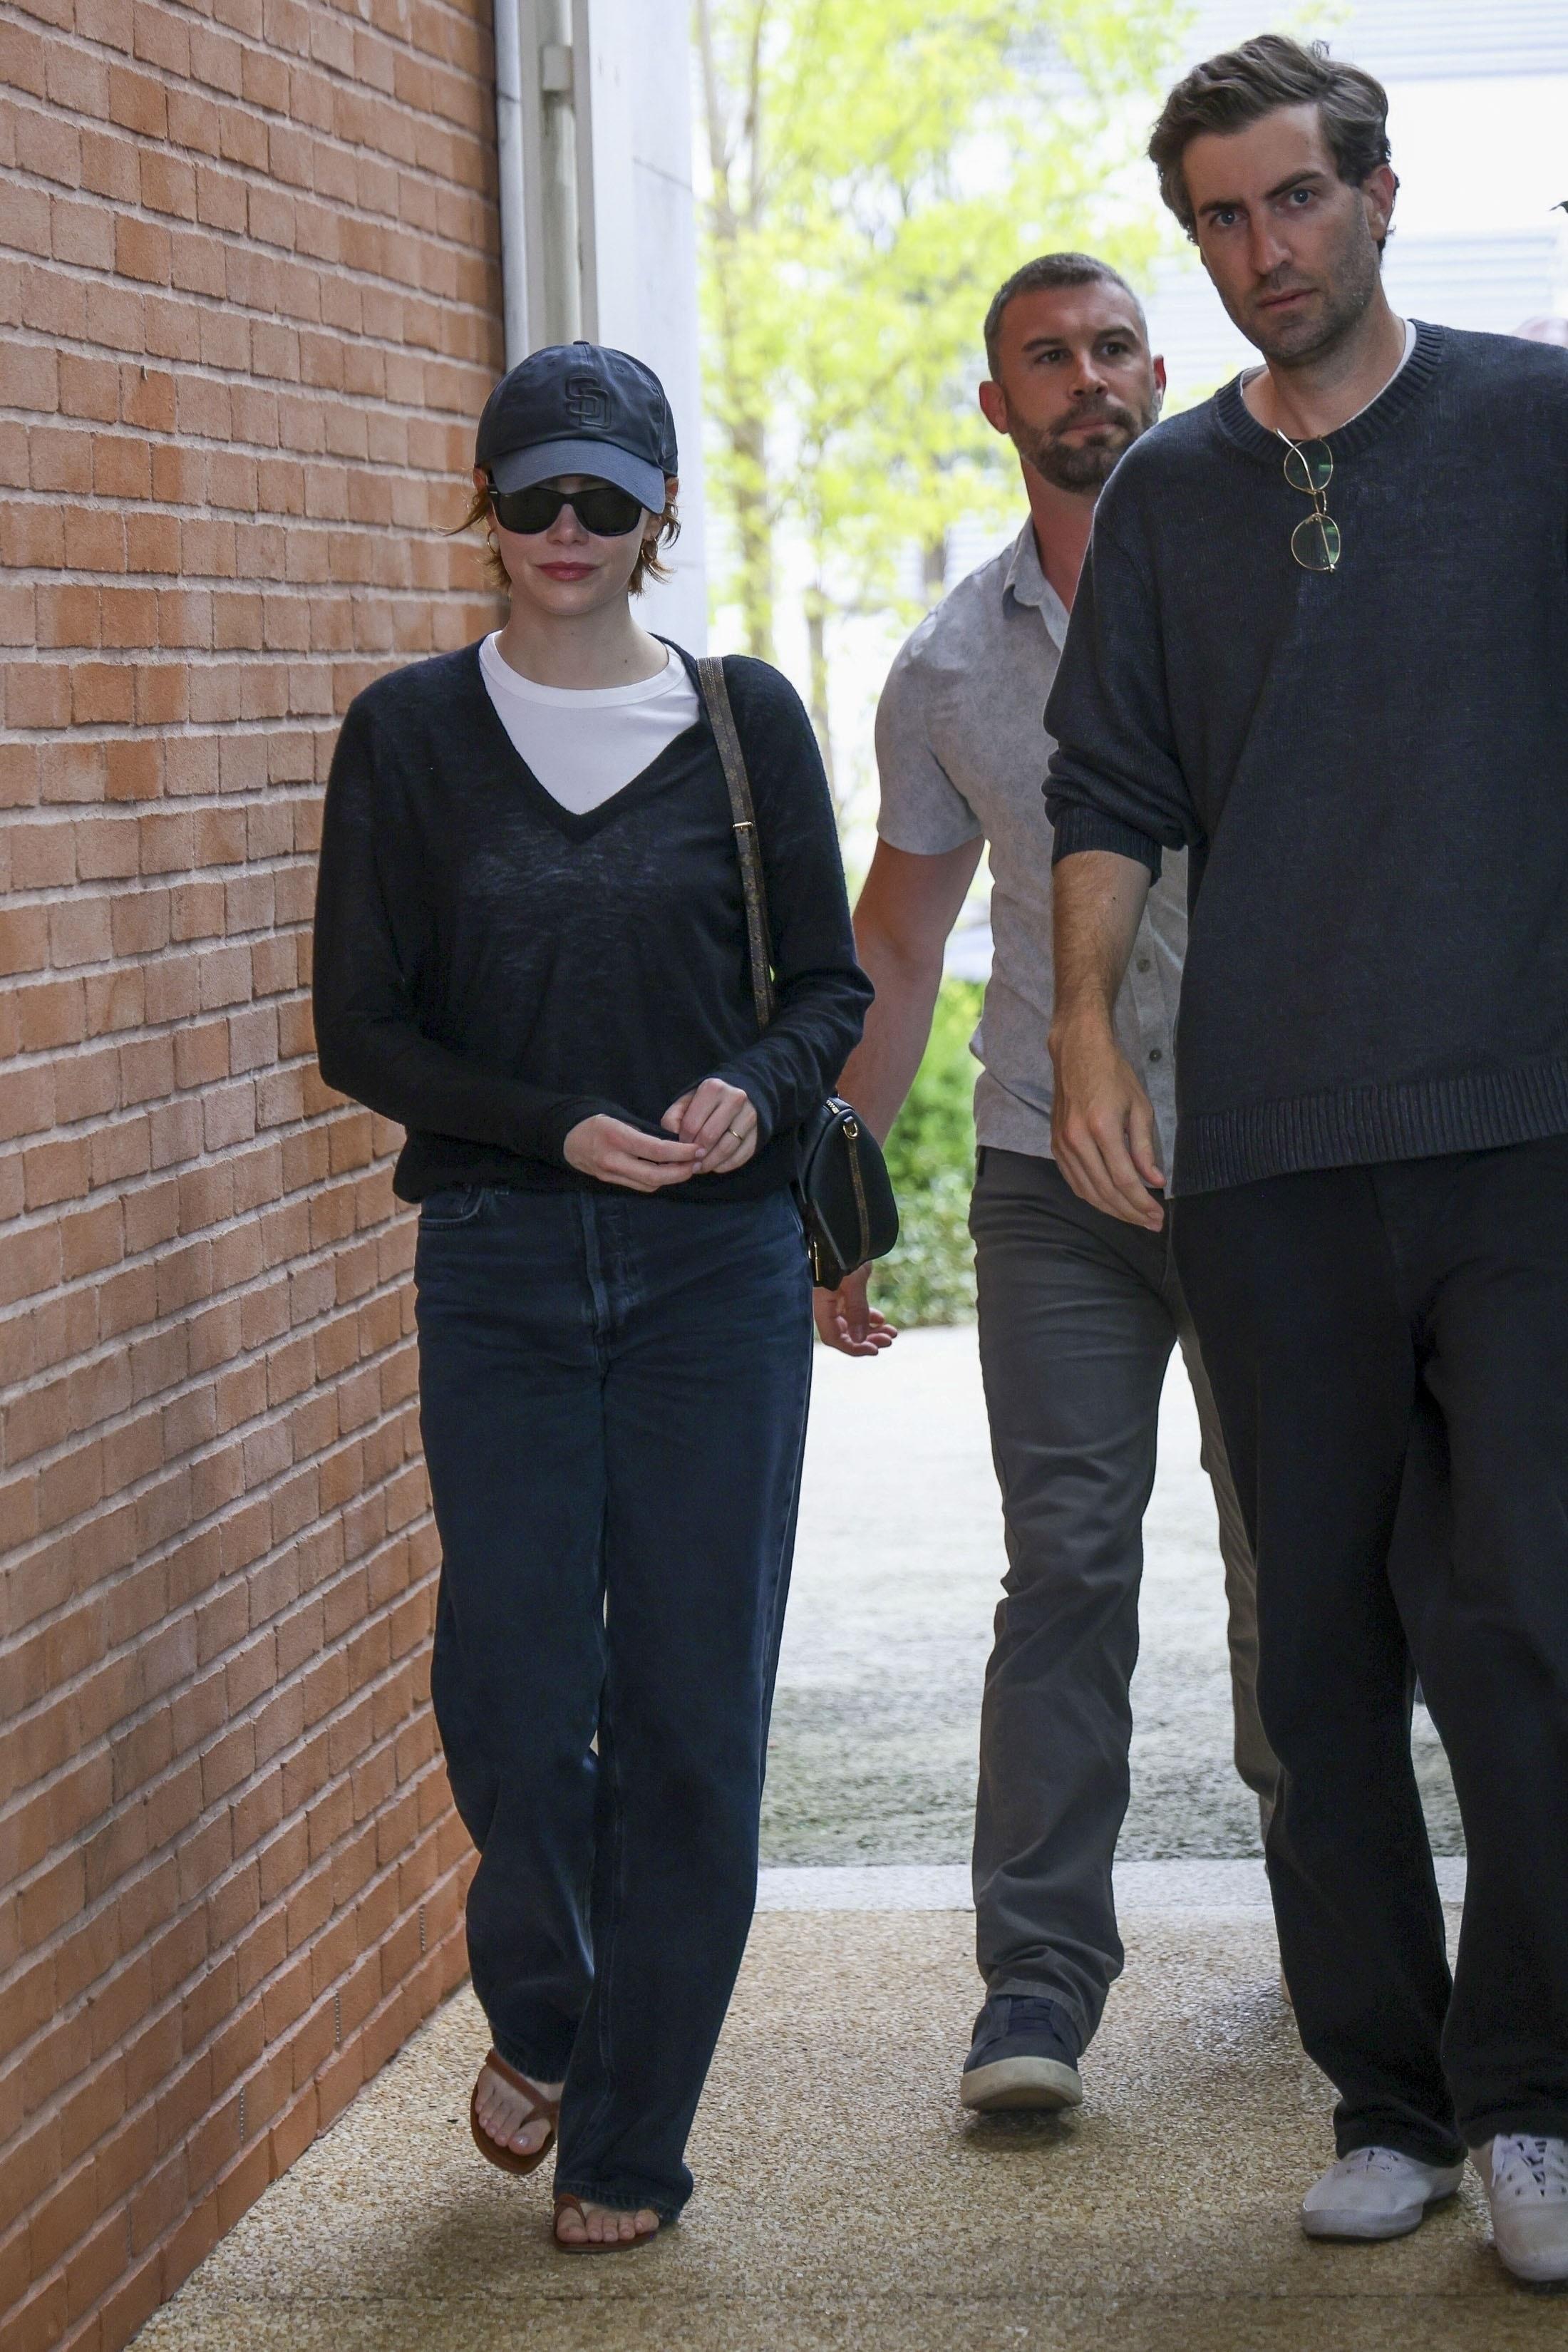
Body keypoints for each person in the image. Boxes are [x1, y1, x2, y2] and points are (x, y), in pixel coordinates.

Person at [1044, 36, 1568, 2286]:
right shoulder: (1171, 496)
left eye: (1294, 200)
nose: (1263, 249)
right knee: (1319, 1661)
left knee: (1529, 1623)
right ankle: (1391, 2099)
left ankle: (1534, 2093)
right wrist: (1082, 1030)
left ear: (1376, 191)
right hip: (1267, 1157)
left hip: (1528, 1135)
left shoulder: (1540, 425)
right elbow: (1107, 787)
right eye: (1223, 219)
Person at [311, 341, 870, 2249]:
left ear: (658, 515)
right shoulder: (406, 733)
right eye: (535, 495)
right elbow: (361, 1028)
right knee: (513, 1692)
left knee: (693, 1711)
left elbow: (830, 987)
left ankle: (631, 2134)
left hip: (718, 1277)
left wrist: (759, 1091)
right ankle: (548, 2003)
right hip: (501, 1265)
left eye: (604, 499)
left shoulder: (743, 719)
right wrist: (552, 1124)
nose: (568, 529)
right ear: (486, 510)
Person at [815, 254, 1277, 2118]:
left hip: (1272, 1165)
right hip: (1048, 1171)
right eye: (1046, 358)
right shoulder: (947, 668)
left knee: (1300, 1563)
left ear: (1161, 372)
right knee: (1068, 1564)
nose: (1086, 378)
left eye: (1112, 348)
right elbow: (899, 943)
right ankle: (1036, 1986)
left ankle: (1346, 1952)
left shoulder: (1274, 594)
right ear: (996, 404)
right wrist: (841, 1190)